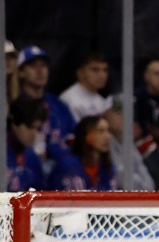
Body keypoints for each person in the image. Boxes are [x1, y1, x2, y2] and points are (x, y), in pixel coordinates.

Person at [16, 45, 76, 175]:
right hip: (26, 168)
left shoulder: (59, 105)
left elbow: (74, 136)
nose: (40, 71)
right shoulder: (15, 105)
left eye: (43, 66)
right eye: (33, 66)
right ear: (21, 72)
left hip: (60, 168)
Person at [47, 115, 119, 191]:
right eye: (100, 131)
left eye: (108, 131)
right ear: (85, 136)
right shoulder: (67, 166)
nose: (107, 136)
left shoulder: (108, 168)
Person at [103, 93, 155, 191]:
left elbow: (149, 183)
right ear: (105, 114)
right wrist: (143, 188)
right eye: (118, 112)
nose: (124, 116)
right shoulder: (104, 142)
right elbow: (122, 179)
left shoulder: (128, 143)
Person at [6, 95, 46, 191]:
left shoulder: (32, 156)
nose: (34, 134)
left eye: (37, 128)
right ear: (14, 124)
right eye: (30, 127)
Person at [59, 52, 112, 122]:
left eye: (105, 70)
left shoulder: (101, 100)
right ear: (80, 73)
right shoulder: (68, 99)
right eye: (95, 70)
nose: (102, 75)